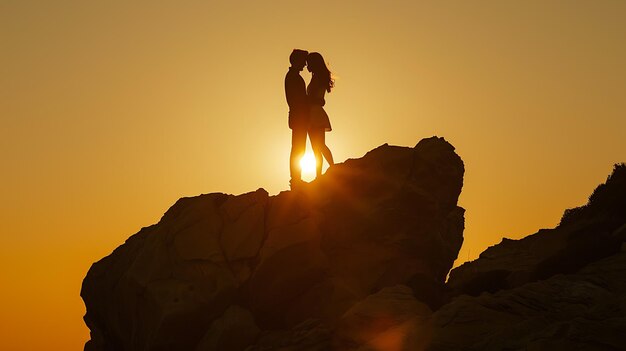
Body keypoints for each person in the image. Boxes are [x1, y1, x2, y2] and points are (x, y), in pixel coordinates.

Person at [306, 52, 334, 178]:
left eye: (308, 63)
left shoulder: (317, 78)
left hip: (315, 114)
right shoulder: (317, 77)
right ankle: (321, 174)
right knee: (318, 146)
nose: (307, 66)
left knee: (319, 146)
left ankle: (332, 168)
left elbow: (315, 99)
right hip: (314, 113)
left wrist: (305, 100)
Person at [285, 49, 309, 188]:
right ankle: (295, 179)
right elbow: (297, 99)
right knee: (298, 148)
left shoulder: (293, 76)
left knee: (299, 148)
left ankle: (296, 178)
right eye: (303, 61)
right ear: (297, 61)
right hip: (299, 116)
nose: (305, 65)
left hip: (298, 116)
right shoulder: (292, 77)